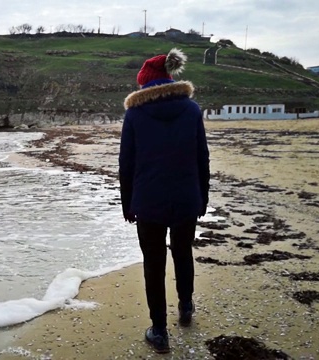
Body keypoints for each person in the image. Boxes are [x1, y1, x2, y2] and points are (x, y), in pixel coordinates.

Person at [118, 48, 210, 354]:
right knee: (183, 253)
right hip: (187, 198)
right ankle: (185, 307)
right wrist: (203, 198)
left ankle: (159, 331)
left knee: (153, 265)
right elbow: (202, 158)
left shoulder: (134, 114)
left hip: (148, 200)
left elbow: (126, 164)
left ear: (144, 83)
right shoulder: (192, 109)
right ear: (169, 79)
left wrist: (127, 204)